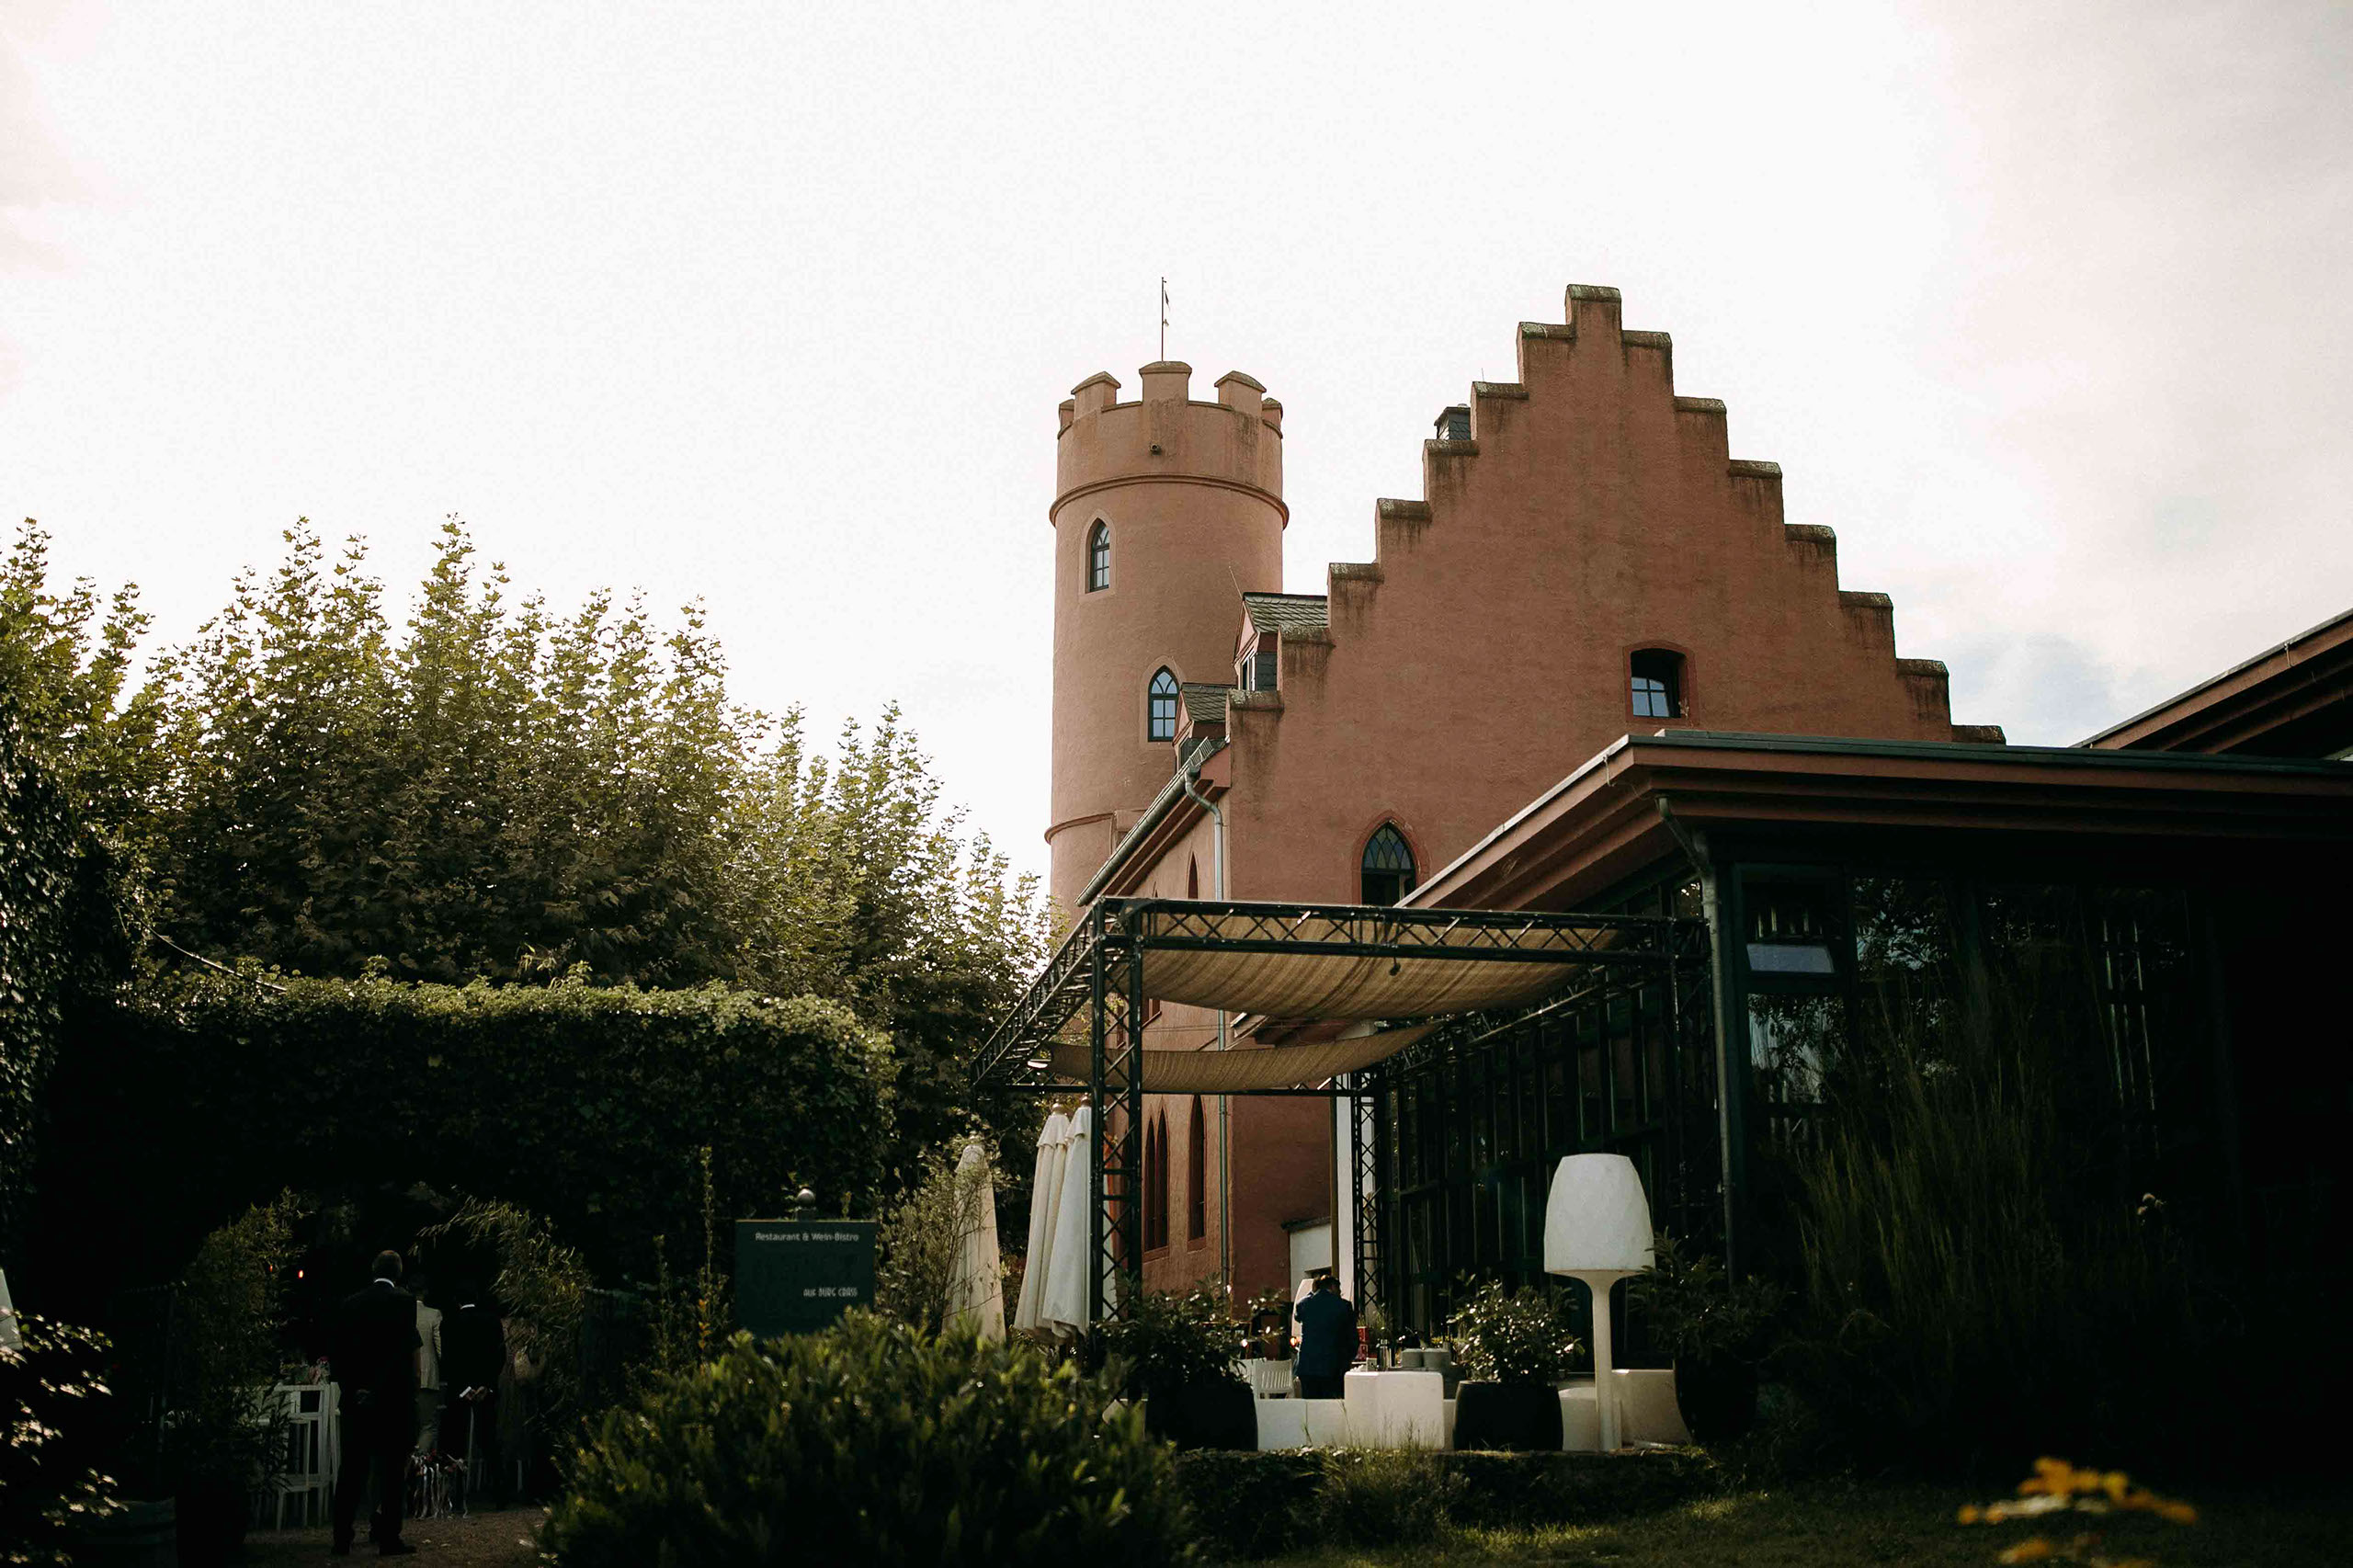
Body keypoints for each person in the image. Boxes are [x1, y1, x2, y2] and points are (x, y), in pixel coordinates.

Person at [330, 1249, 422, 1558]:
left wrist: (356, 1388)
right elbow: (401, 1355)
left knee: (352, 1471)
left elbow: (339, 1354)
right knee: (391, 1472)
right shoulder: (405, 1303)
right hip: (391, 1402)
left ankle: (341, 1537)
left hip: (356, 1401)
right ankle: (388, 1538)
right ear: (398, 1273)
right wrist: (385, 1391)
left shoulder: (350, 1304)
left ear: (373, 1269)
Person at [438, 1285, 506, 1501]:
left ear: (458, 1301)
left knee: (455, 1439)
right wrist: (487, 1384)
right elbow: (499, 1355)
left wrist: (462, 1387)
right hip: (484, 1387)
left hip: (460, 1388)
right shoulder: (492, 1321)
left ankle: (455, 1494)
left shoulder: (448, 1323)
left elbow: (447, 1358)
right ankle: (500, 1492)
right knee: (488, 1439)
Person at [1291, 1273, 1357, 1399]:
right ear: (1333, 1287)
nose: (1340, 1292)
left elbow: (1298, 1315)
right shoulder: (1344, 1306)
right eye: (1339, 1289)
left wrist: (1313, 1292)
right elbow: (1352, 1339)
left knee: (1310, 1407)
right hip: (1333, 1367)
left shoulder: (1305, 1304)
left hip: (1308, 1367)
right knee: (1331, 1407)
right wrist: (1346, 1361)